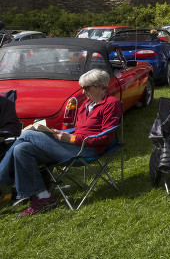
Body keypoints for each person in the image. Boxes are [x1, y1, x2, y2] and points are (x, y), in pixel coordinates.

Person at [0, 69, 122, 216]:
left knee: (29, 134)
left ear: (101, 85)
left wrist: (71, 139)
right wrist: (60, 133)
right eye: (82, 88)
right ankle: (43, 197)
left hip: (88, 150)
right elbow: (78, 130)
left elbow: (106, 137)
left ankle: (1, 177)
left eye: (87, 88)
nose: (83, 92)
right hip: (73, 145)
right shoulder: (84, 106)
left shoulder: (111, 104)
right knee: (22, 148)